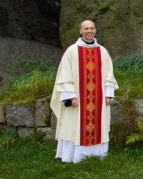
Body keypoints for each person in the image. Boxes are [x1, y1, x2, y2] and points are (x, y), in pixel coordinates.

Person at [50, 20, 118, 163]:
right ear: (81, 31)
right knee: (74, 126)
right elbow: (65, 74)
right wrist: (70, 96)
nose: (89, 31)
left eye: (92, 28)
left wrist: (109, 93)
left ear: (95, 30)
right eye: (86, 28)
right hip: (78, 100)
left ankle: (97, 154)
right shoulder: (72, 51)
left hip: (98, 99)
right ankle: (74, 155)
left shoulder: (102, 51)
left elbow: (108, 74)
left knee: (98, 124)